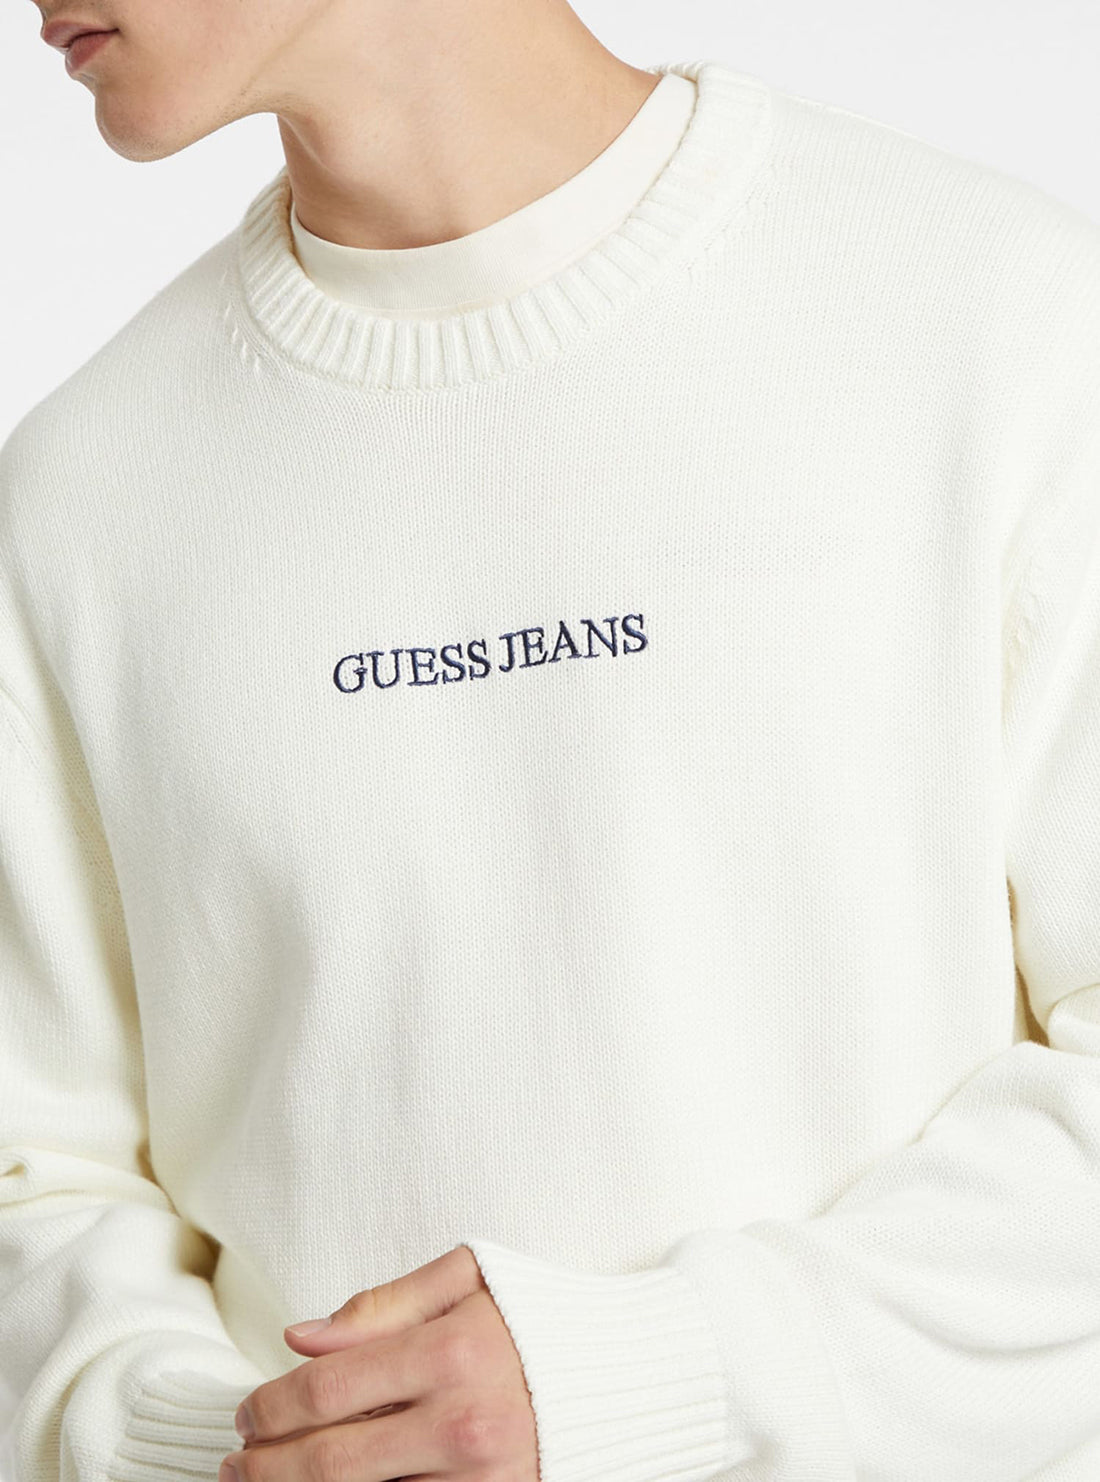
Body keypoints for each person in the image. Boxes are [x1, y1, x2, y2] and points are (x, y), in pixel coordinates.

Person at [2, 0, 1099, 1478]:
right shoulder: (81, 496)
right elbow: (37, 1174)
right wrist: (250, 1449)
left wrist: (672, 1375)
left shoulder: (1001, 321)